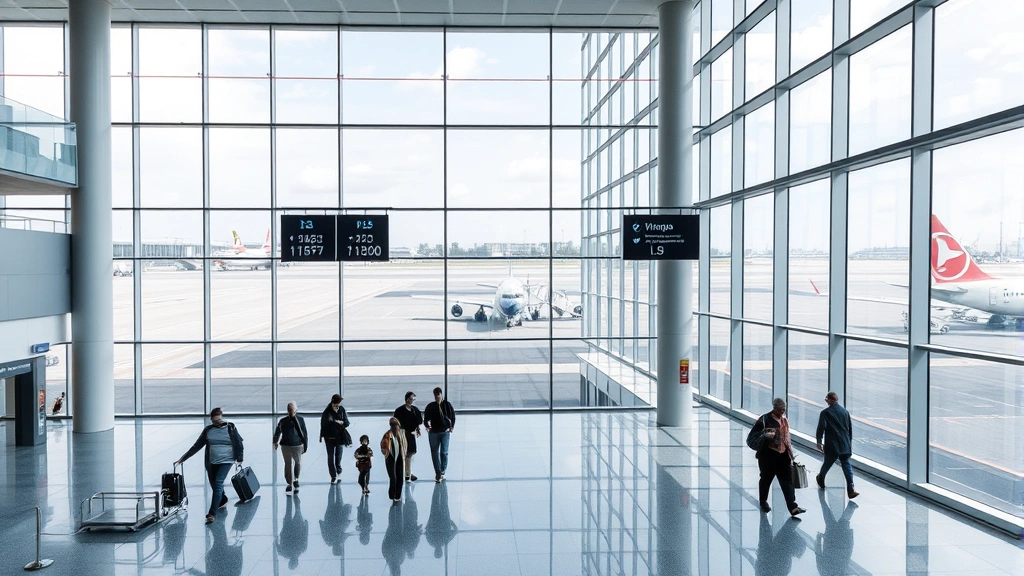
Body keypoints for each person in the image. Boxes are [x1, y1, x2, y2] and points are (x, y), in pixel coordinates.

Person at [176, 407, 244, 524]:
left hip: (226, 460)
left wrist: (239, 458)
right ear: (211, 420)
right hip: (212, 461)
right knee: (214, 483)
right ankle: (222, 499)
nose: (217, 422)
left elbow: (238, 442)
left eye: (219, 420)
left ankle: (212, 513)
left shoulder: (230, 427)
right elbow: (197, 445)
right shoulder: (208, 430)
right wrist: (183, 458)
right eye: (214, 421)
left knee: (218, 482)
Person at [747, 398, 806, 517]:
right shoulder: (765, 419)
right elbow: (752, 436)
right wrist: (765, 436)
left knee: (787, 481)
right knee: (766, 479)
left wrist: (790, 453)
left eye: (784, 409)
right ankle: (763, 501)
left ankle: (792, 506)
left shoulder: (784, 420)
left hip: (783, 456)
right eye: (780, 409)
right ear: (774, 408)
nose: (782, 412)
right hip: (768, 456)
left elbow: (786, 438)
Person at [815, 391, 859, 499]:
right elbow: (850, 429)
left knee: (828, 463)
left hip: (832, 443)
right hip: (845, 443)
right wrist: (849, 443)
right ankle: (851, 488)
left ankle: (821, 478)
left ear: (828, 400)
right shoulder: (845, 412)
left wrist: (819, 441)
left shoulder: (825, 413)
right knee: (846, 464)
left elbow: (821, 428)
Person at [273, 401, 308, 495]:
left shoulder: (300, 420)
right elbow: (278, 432)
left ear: (295, 410)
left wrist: (305, 445)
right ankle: (289, 483)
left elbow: (304, 433)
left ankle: (296, 478)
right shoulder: (283, 421)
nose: (290, 412)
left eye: (292, 410)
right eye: (289, 410)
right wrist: (275, 441)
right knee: (288, 464)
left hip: (297, 445)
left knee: (297, 462)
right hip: (286, 445)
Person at [424, 387, 456, 483]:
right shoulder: (431, 406)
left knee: (444, 452)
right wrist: (427, 425)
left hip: (445, 431)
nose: (437, 396)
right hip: (434, 431)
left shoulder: (447, 405)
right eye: (436, 395)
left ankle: (442, 470)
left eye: (439, 394)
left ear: (441, 395)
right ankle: (438, 472)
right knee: (434, 452)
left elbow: (452, 416)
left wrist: (452, 426)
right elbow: (426, 418)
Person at [319, 394, 350, 484]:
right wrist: (321, 436)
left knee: (338, 455)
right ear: (332, 403)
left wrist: (341, 422)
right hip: (329, 437)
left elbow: (347, 422)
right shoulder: (327, 412)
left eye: (338, 405)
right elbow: (323, 425)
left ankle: (338, 468)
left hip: (339, 436)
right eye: (336, 405)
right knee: (330, 456)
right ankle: (333, 475)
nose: (337, 407)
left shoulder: (341, 410)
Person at [393, 391, 423, 482]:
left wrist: (417, 429)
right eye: (410, 399)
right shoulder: (400, 410)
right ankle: (406, 473)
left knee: (410, 452)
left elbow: (418, 421)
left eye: (413, 399)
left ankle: (407, 472)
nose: (412, 401)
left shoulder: (414, 410)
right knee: (405, 453)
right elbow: (396, 423)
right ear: (406, 399)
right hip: (403, 433)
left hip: (411, 433)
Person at [380, 417, 408, 502]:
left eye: (397, 426)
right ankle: (392, 494)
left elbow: (405, 443)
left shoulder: (402, 433)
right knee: (393, 477)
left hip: (400, 455)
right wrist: (386, 452)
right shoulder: (387, 435)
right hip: (391, 457)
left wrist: (404, 453)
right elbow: (383, 446)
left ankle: (397, 496)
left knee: (400, 476)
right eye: (394, 426)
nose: (396, 428)